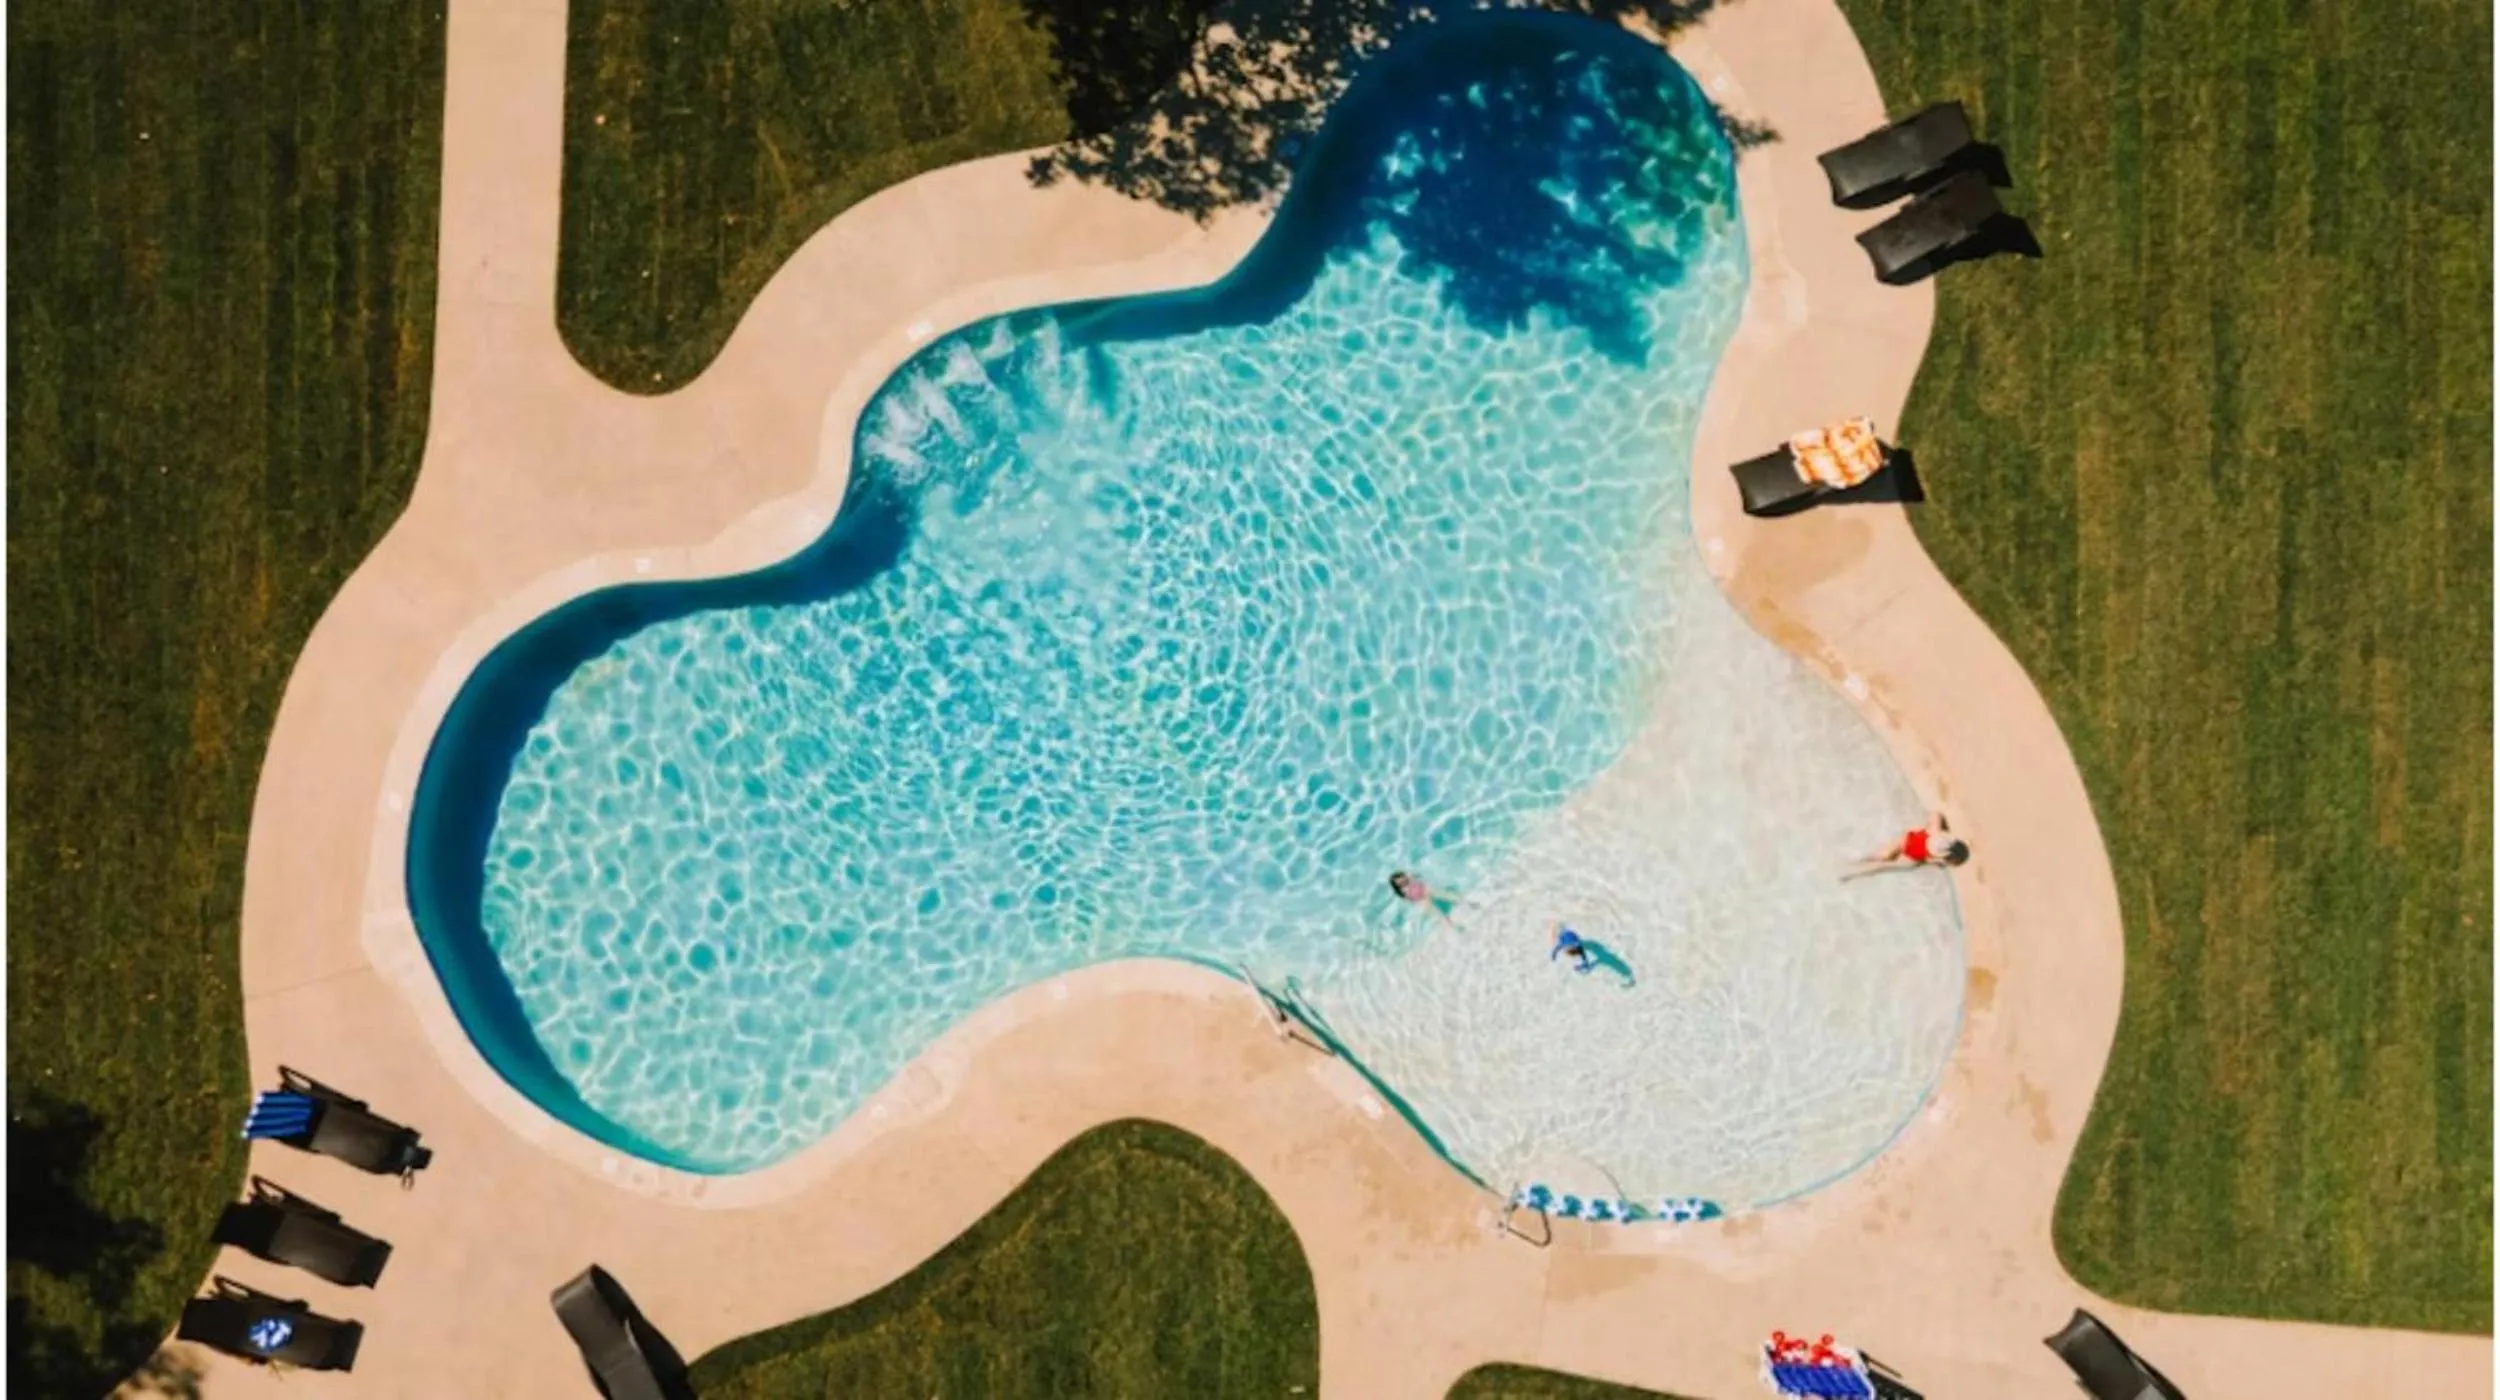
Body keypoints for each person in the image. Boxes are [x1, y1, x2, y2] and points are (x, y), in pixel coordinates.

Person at [1841, 811, 1970, 879]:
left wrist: (1926, 826)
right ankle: (1852, 874)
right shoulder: (1940, 857)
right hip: (1913, 854)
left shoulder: (1937, 832)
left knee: (1883, 856)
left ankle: (1855, 860)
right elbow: (1929, 860)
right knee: (1884, 865)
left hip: (1909, 840)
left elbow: (1936, 814)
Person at [1388, 871, 1457, 926]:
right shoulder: (1404, 891)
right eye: (1400, 884)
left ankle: (1460, 900)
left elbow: (1419, 876)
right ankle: (1448, 923)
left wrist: (1410, 876)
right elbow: (1412, 898)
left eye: (1402, 880)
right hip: (1421, 900)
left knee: (1444, 894)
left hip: (1426, 891)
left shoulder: (1409, 879)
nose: (1403, 883)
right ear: (1398, 887)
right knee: (1434, 913)